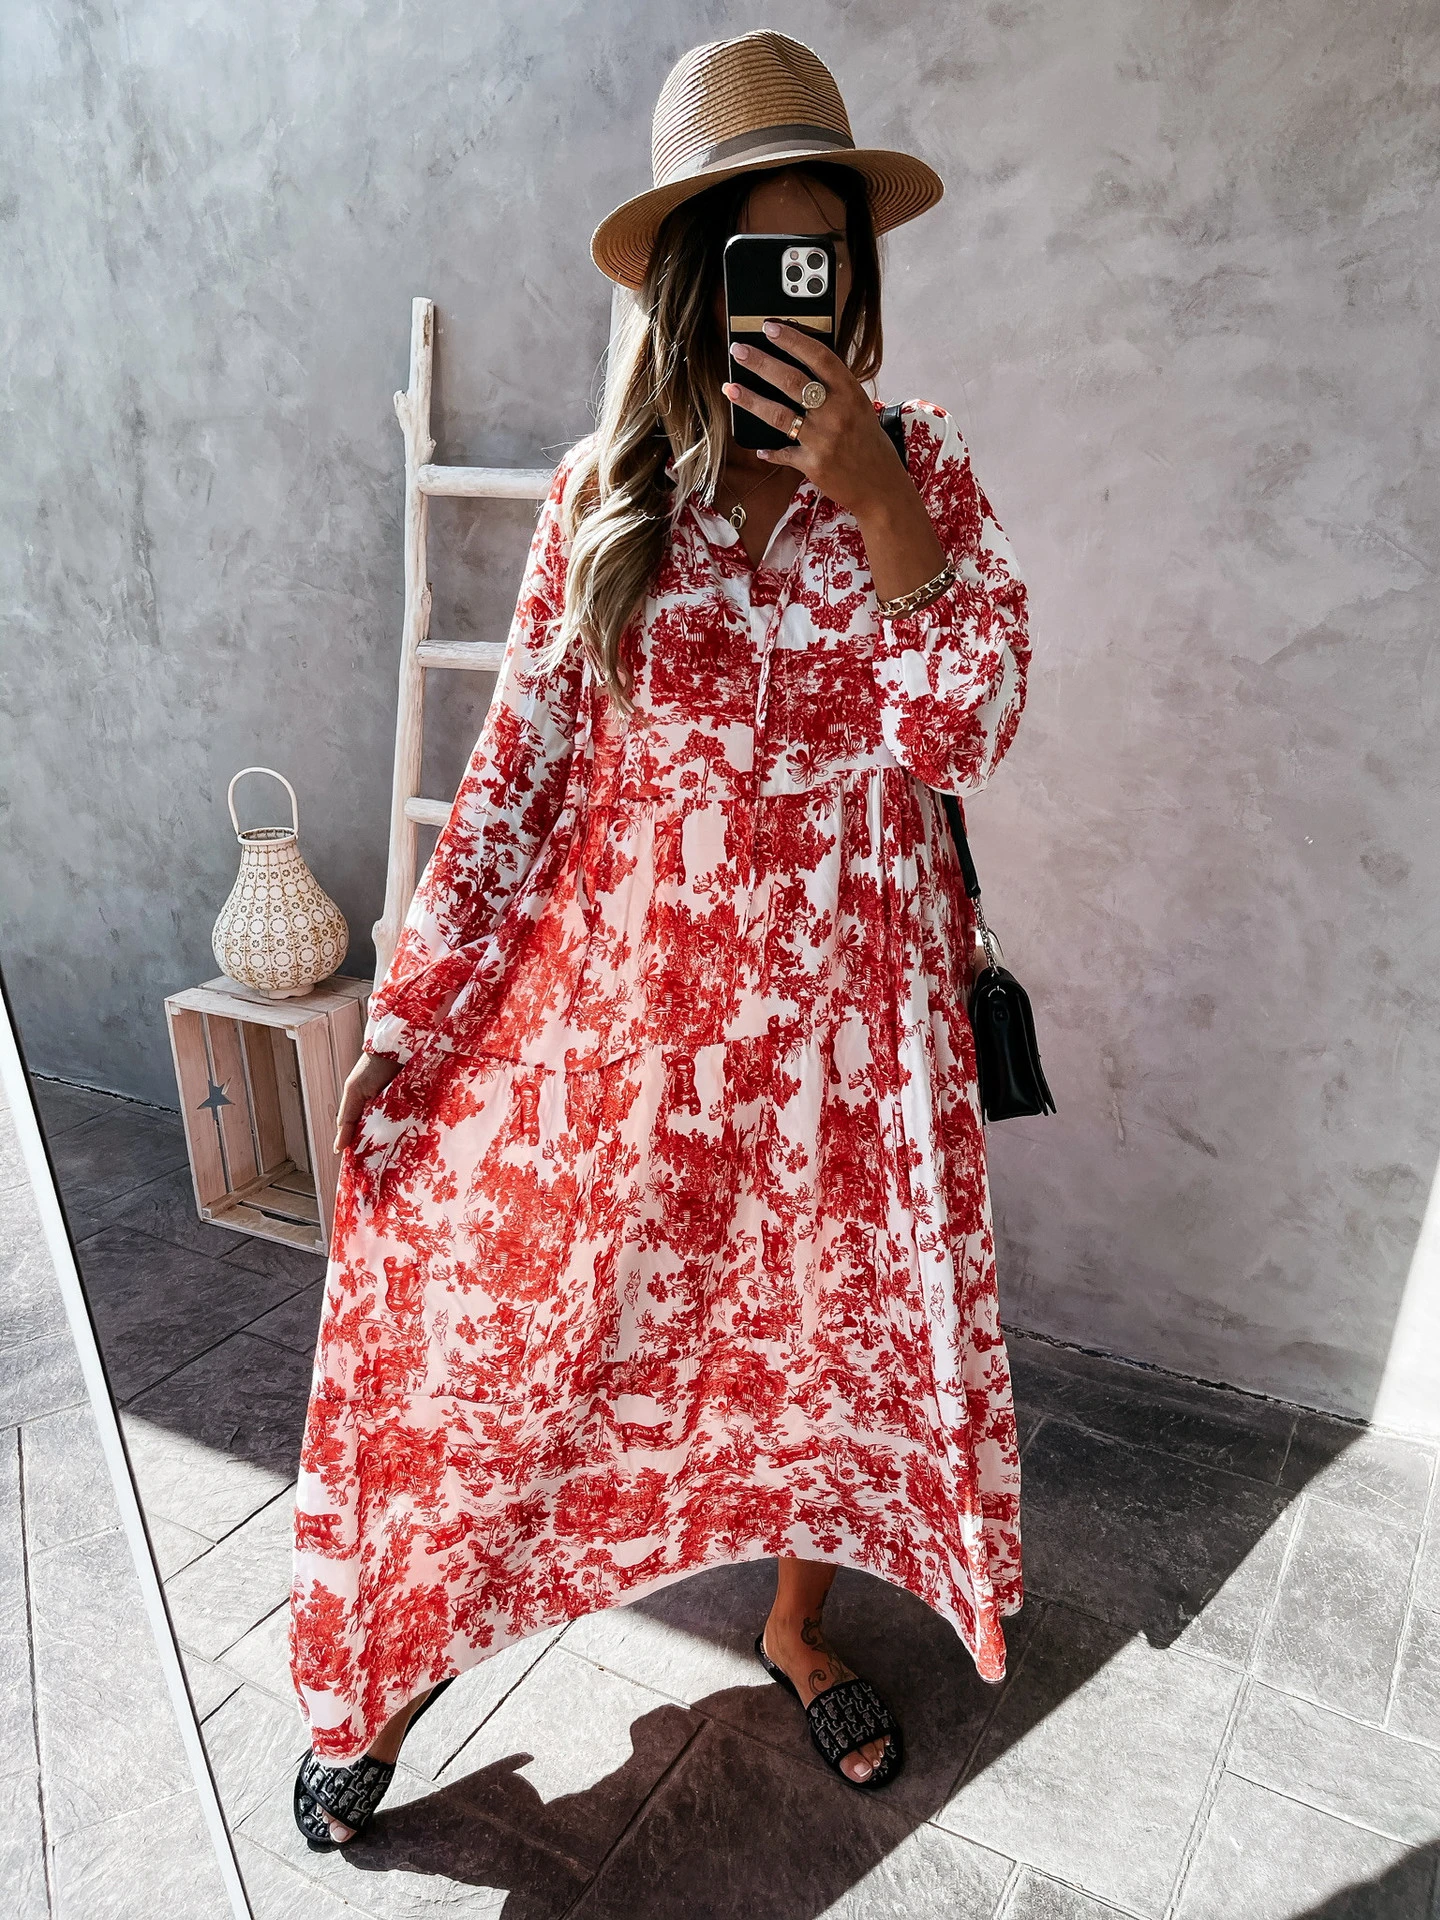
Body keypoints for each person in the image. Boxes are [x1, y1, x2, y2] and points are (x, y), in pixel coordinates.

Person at [290, 27, 1030, 1849]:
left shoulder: (925, 472)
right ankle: (407, 1666)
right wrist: (410, 1020)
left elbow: (971, 728)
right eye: (767, 263)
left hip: (851, 1056)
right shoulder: (604, 497)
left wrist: (883, 512)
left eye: (829, 262)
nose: (803, 298)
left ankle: (793, 1628)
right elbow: (515, 781)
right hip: (629, 1047)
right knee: (522, 1357)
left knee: (822, 1353)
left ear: (858, 280)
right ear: (699, 282)